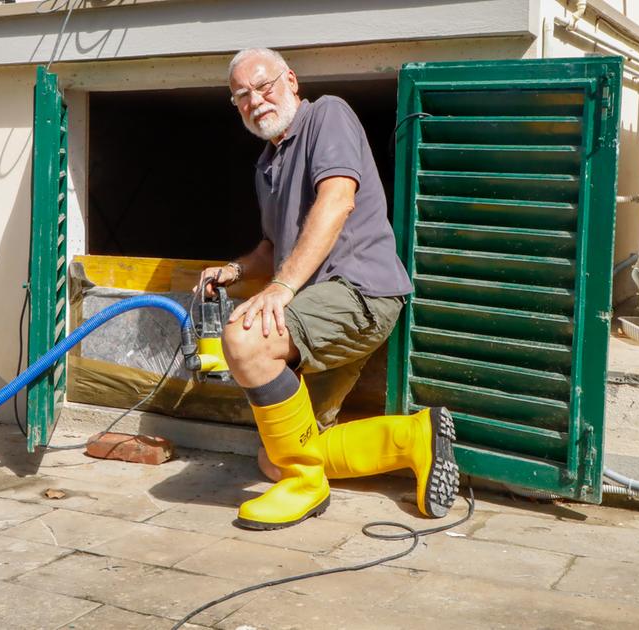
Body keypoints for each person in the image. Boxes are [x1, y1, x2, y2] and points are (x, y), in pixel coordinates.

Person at [196, 48, 459, 531]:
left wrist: (280, 288)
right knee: (275, 457)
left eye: (264, 86)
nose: (255, 100)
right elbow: (275, 246)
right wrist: (234, 270)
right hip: (317, 306)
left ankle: (307, 487)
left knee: (244, 335)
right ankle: (412, 438)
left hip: (360, 293)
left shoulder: (328, 115)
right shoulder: (266, 166)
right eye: (242, 96)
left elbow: (337, 201)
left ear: (291, 80)